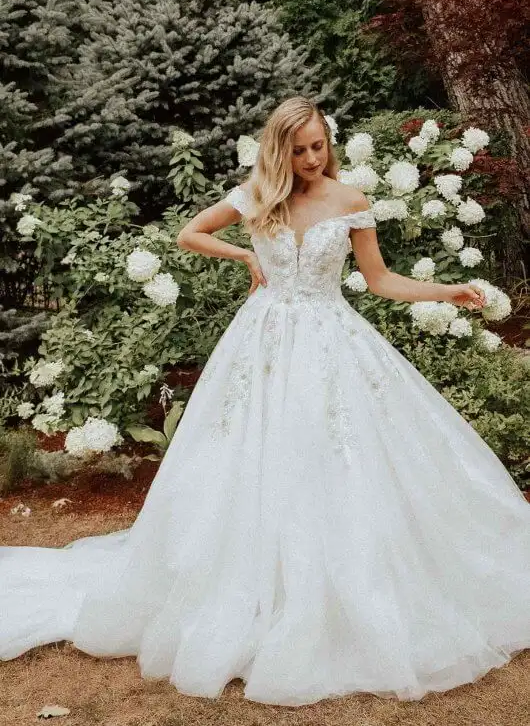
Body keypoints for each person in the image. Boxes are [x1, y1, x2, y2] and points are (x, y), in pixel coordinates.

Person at [0, 96, 529, 708]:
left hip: (332, 340)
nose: (311, 159)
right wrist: (244, 253)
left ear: (328, 142)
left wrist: (446, 290)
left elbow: (379, 280)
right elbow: (189, 233)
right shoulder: (256, 196)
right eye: (299, 150)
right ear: (280, 150)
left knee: (339, 456)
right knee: (250, 456)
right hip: (264, 343)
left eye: (318, 146)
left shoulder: (350, 200)